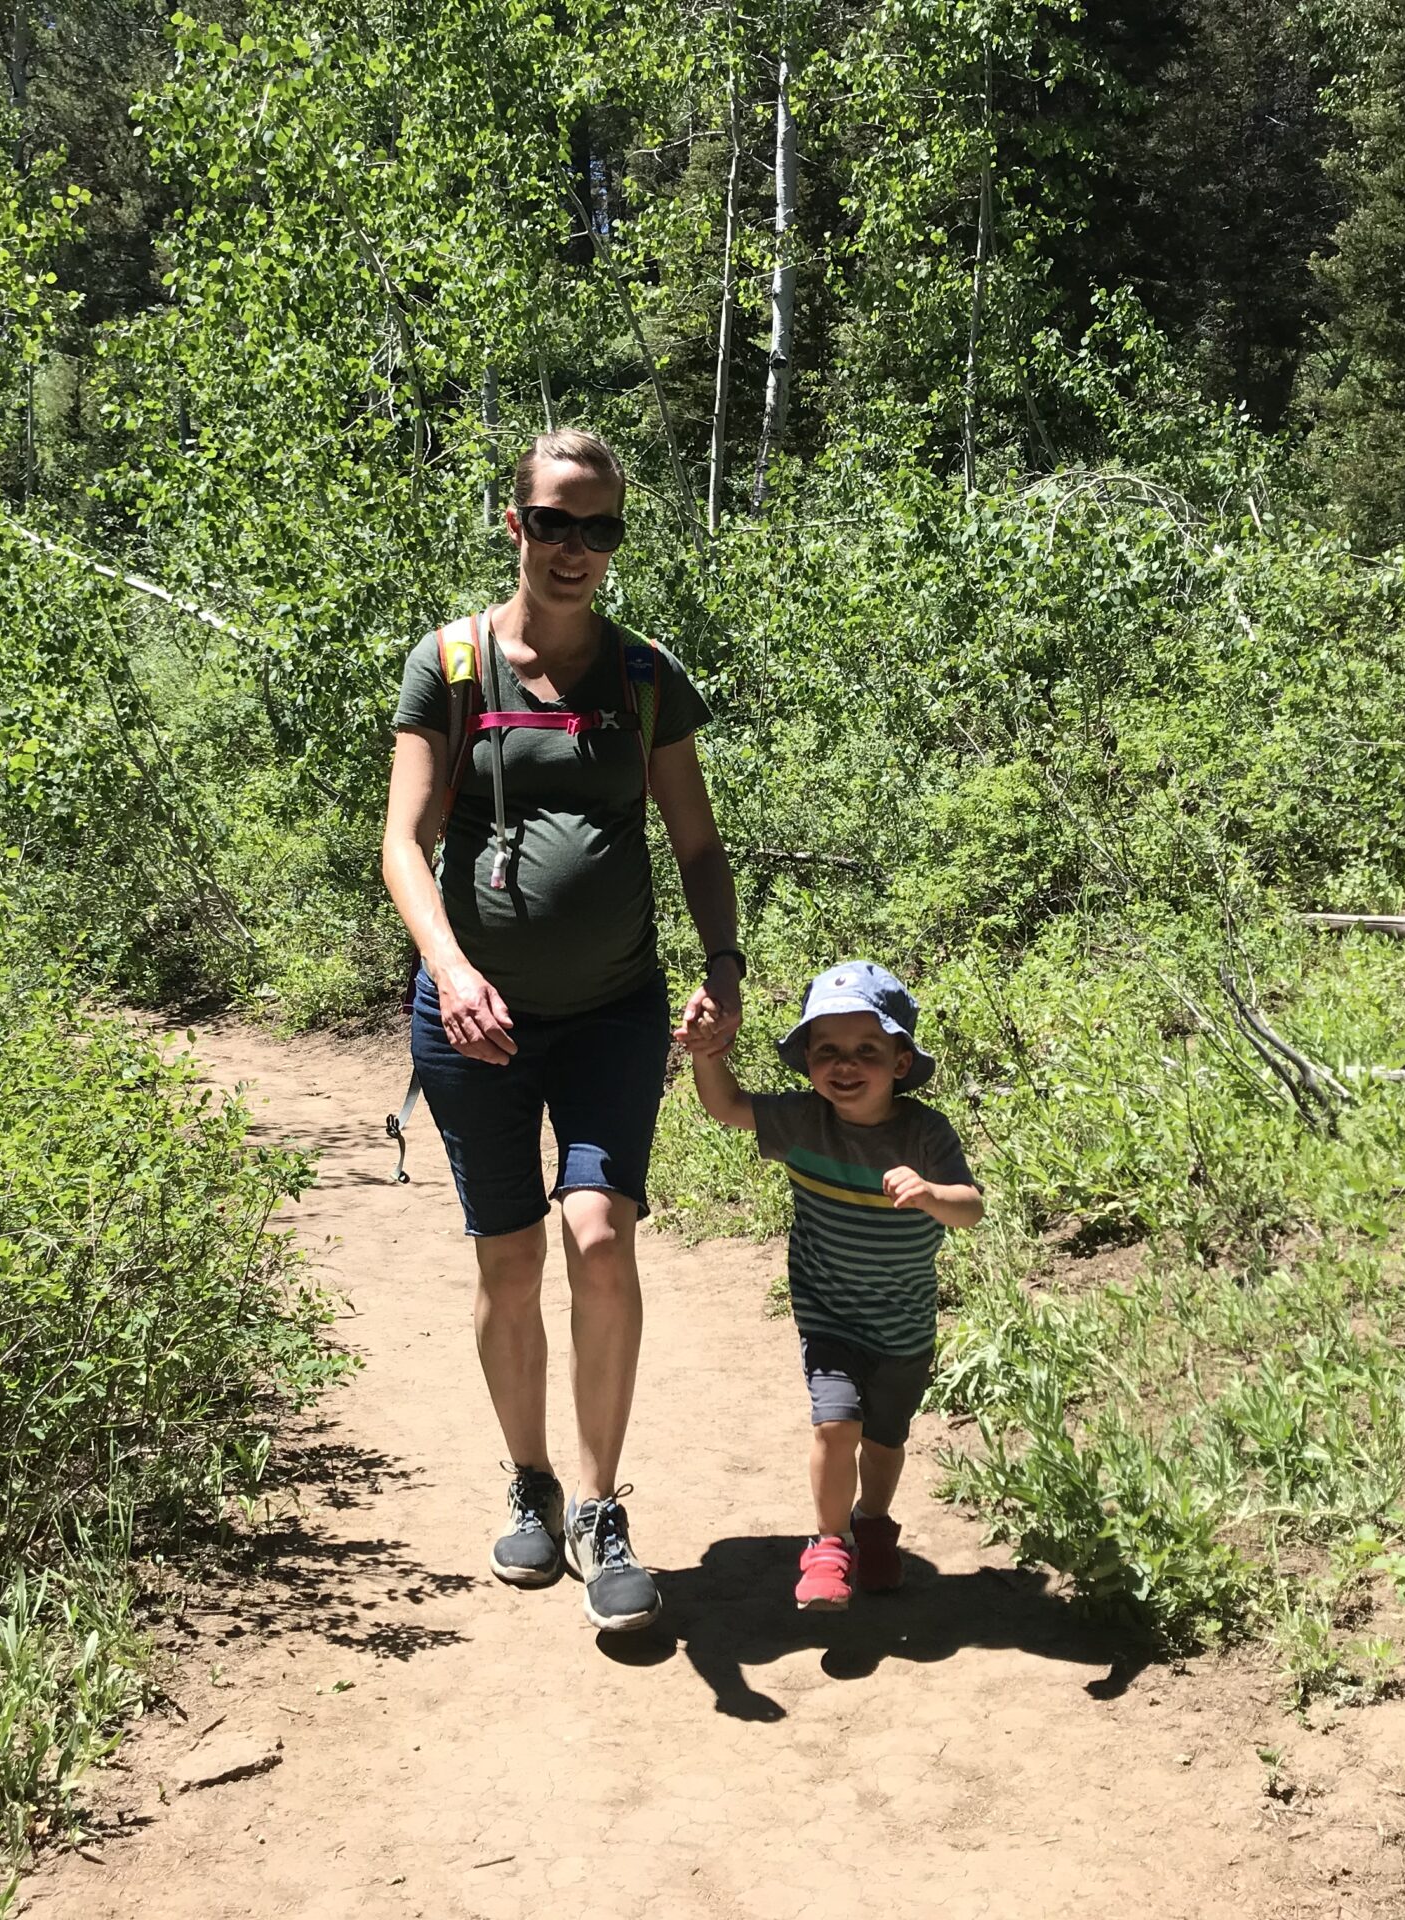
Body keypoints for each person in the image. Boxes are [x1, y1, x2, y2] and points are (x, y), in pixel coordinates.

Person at [381, 428, 743, 1633]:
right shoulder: (451, 662)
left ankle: (599, 1506)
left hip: (612, 1012)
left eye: (602, 529)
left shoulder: (644, 679)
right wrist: (450, 967)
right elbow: (405, 844)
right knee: (510, 1254)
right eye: (556, 523)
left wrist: (723, 971)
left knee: (598, 1235)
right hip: (470, 1018)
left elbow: (695, 844)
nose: (578, 550)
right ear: (515, 524)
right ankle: (528, 1484)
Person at [687, 961, 983, 1609]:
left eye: (866, 1051)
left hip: (903, 1325)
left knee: (885, 1441)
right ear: (808, 1060)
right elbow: (727, 1106)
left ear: (901, 1062)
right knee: (836, 1425)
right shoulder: (802, 1120)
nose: (845, 1066)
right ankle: (828, 1545)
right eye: (828, 1051)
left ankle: (874, 1526)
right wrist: (708, 1054)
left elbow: (971, 1206)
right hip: (828, 1315)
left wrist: (933, 1193)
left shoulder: (924, 1132)